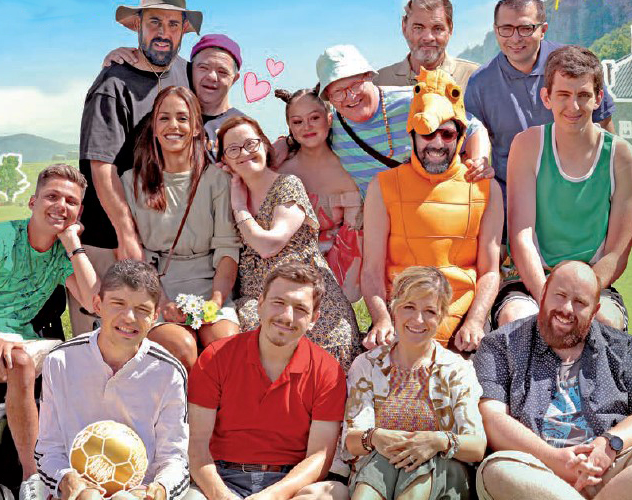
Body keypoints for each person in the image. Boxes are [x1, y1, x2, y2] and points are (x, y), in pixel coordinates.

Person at [473, 260, 632, 500]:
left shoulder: (622, 347)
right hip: (538, 470)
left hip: (613, 473)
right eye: (560, 296)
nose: (566, 309)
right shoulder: (501, 345)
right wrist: (554, 459)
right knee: (499, 472)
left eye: (580, 302)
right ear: (543, 295)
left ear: (595, 311)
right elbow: (492, 418)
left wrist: (609, 443)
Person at [0, 164, 98, 484]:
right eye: (52, 196)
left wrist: (73, 244)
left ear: (79, 212)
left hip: (25, 341)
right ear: (32, 202)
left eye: (71, 201)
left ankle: (85, 462)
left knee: (89, 358)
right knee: (21, 361)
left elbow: (95, 303)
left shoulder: (61, 254)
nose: (61, 206)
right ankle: (33, 478)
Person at [75, 0, 202, 335]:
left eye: (173, 24)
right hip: (111, 237)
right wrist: (125, 233)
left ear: (183, 31)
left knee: (167, 339)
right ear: (138, 27)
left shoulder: (188, 74)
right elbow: (102, 167)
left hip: (167, 241)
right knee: (108, 340)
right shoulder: (112, 84)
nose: (163, 33)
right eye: (154, 22)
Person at [495, 45, 632, 331]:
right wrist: (547, 297)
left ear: (599, 98)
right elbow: (521, 235)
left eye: (583, 95)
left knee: (606, 322)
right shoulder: (527, 146)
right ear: (546, 97)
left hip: (591, 281)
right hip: (531, 279)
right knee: (517, 319)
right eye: (563, 94)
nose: (573, 106)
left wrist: (577, 299)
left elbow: (616, 254)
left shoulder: (623, 158)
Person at [361, 68, 503, 352]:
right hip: (400, 324)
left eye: (447, 134)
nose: (437, 144)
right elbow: (372, 269)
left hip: (462, 328)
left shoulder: (486, 188)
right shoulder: (383, 186)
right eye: (427, 133)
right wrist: (381, 320)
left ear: (460, 136)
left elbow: (489, 272)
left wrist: (475, 322)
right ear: (412, 134)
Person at [187, 262, 348, 500]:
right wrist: (222, 496)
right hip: (221, 478)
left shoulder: (328, 371)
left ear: (314, 318)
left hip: (288, 485)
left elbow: (319, 456)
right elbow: (197, 444)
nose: (286, 316)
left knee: (332, 493)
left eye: (300, 309)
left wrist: (271, 496)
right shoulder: (216, 357)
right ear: (260, 304)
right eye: (278, 302)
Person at [31, 260, 189, 500]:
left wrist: (160, 488)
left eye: (142, 309)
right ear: (98, 304)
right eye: (118, 304)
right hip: (78, 490)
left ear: (155, 316)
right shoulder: (60, 361)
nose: (129, 317)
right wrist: (66, 478)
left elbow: (174, 458)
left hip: (139, 491)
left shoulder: (169, 372)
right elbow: (48, 449)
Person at [217, 116, 362, 370]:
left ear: (264, 145)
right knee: (256, 343)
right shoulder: (225, 194)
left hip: (307, 289)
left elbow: (270, 245)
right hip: (259, 297)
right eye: (233, 149)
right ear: (225, 160)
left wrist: (240, 207)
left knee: (324, 349)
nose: (244, 153)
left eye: (251, 144)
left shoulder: (287, 184)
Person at [121, 86, 240, 372]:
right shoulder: (131, 181)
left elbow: (227, 247)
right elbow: (132, 252)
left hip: (210, 283)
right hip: (156, 285)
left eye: (182, 118)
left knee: (224, 346)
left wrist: (216, 300)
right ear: (154, 128)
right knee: (183, 347)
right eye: (164, 118)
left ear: (197, 127)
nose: (173, 125)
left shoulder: (216, 180)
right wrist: (162, 302)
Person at [343, 266, 486, 500]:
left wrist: (436, 441)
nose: (418, 320)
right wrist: (376, 437)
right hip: (379, 469)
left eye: (430, 311)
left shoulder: (457, 369)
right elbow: (352, 440)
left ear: (442, 316)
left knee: (423, 464)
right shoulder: (367, 365)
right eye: (409, 307)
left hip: (441, 472)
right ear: (394, 308)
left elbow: (477, 447)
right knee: (381, 461)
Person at [464, 0, 615, 208]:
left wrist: (611, 187)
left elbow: (605, 126)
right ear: (496, 31)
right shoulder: (480, 83)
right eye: (506, 29)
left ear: (543, 30)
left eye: (526, 28)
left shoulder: (576, 64)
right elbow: (472, 140)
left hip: (577, 198)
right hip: (512, 203)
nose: (515, 38)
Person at [314, 44, 493, 196]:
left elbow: (473, 128)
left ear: (369, 75)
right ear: (329, 96)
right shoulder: (330, 126)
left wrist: (479, 160)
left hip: (434, 210)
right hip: (380, 219)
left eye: (355, 85)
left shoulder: (415, 102)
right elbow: (303, 137)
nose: (350, 97)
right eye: (338, 92)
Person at [274, 87, 363, 302]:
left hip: (330, 280)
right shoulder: (280, 169)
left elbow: (350, 244)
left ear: (329, 119)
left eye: (314, 118)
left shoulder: (349, 171)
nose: (307, 127)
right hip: (280, 272)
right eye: (298, 122)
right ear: (290, 127)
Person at [104, 33, 246, 158]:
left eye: (222, 72)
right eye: (203, 67)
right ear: (191, 69)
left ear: (234, 79)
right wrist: (118, 66)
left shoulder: (242, 128)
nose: (212, 76)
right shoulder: (165, 112)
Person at [376, 0, 478, 91]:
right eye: (418, 28)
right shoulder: (379, 83)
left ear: (450, 29)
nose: (428, 38)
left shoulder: (476, 78)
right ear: (404, 27)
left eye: (437, 28)